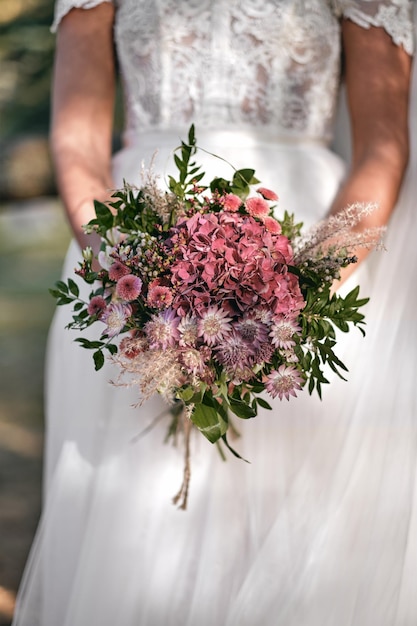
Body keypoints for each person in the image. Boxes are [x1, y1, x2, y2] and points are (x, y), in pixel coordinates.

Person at [12, 1, 416, 625]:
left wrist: (293, 299)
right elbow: (77, 136)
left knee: (292, 529)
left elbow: (383, 147)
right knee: (135, 530)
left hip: (311, 245)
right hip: (128, 245)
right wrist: (133, 277)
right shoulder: (127, 267)